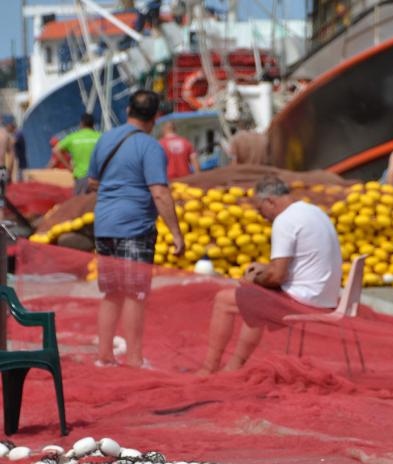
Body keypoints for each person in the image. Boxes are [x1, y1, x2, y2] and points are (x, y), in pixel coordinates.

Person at [198, 176, 342, 374]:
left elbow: (276, 278)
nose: (262, 216)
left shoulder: (285, 220)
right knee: (254, 296)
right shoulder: (314, 212)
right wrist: (263, 271)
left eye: (260, 209)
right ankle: (234, 366)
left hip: (305, 299)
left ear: (270, 201)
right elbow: (292, 265)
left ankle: (209, 368)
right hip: (326, 296)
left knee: (224, 300)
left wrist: (253, 279)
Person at [87, 89, 184, 369]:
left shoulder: (105, 139)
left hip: (104, 225)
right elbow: (160, 193)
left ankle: (104, 356)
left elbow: (92, 181)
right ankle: (134, 359)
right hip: (134, 227)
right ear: (155, 116)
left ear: (128, 110)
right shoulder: (151, 147)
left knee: (112, 293)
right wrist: (176, 234)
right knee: (135, 294)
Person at [53, 113, 101, 194]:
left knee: (81, 204)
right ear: (93, 125)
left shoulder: (73, 138)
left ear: (81, 124)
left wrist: (69, 167)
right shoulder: (100, 137)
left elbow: (56, 150)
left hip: (80, 178)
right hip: (97, 179)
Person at [4, 117, 26, 182]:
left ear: (11, 126)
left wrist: (5, 136)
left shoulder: (18, 133)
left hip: (20, 161)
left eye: (7, 127)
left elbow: (12, 142)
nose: (6, 128)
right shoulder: (14, 134)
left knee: (19, 179)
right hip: (17, 161)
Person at [0, 119, 13, 207]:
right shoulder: (5, 134)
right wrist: (9, 173)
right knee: (0, 203)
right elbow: (11, 155)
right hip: (2, 171)